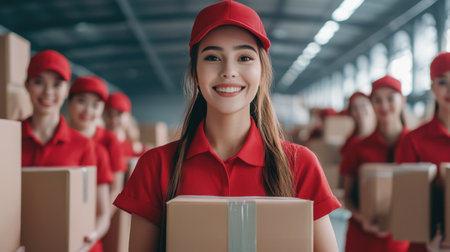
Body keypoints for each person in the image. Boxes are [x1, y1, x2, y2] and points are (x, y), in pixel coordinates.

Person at [113, 1, 341, 251]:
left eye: (244, 57)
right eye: (212, 57)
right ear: (195, 73)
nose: (228, 71)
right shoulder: (155, 166)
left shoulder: (300, 164)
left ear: (262, 71)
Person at [21, 50, 99, 250]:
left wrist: (82, 243)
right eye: (39, 82)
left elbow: (95, 210)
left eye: (57, 84)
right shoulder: (7, 140)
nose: (48, 92)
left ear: (66, 91)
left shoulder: (83, 145)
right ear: (27, 85)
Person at [340, 75, 410, 252]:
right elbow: (346, 197)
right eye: (377, 100)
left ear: (402, 100)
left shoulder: (415, 144)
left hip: (401, 240)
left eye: (390, 99)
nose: (384, 106)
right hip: (362, 238)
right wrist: (362, 218)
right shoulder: (357, 147)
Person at [395, 52, 450, 252]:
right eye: (443, 82)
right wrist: (428, 242)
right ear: (433, 87)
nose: (449, 89)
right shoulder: (414, 140)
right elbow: (406, 199)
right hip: (425, 245)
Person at [67, 76, 116, 252]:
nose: (88, 110)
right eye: (81, 101)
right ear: (69, 102)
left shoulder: (104, 145)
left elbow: (114, 189)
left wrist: (96, 230)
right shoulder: (56, 142)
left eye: (95, 105)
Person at [104, 92, 145, 157]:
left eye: (119, 114)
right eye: (109, 114)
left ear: (128, 116)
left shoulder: (137, 149)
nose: (114, 119)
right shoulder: (100, 144)